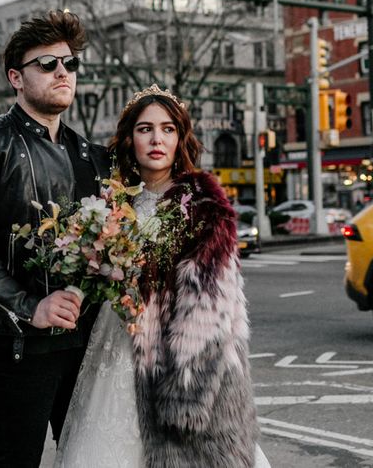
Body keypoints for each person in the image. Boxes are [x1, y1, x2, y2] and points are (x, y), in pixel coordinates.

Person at [55, 85, 268, 468]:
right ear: (129, 138)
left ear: (180, 137)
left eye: (168, 129)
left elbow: (211, 308)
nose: (157, 139)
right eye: (145, 129)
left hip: (178, 361)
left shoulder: (202, 206)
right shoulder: (112, 203)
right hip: (114, 346)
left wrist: (186, 391)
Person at [0, 10, 111, 468]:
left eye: (70, 63)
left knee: (86, 458)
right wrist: (27, 306)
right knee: (17, 460)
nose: (63, 72)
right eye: (48, 63)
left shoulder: (91, 156)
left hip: (83, 340)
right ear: (16, 77)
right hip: (13, 339)